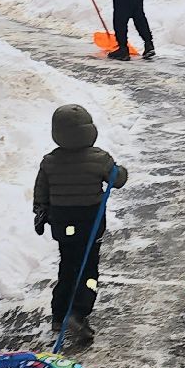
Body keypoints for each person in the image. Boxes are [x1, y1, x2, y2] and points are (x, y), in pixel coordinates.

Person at [32, 104, 129, 338]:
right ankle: (78, 311)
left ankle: (59, 315)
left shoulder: (50, 162)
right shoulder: (99, 158)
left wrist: (40, 211)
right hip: (90, 222)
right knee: (89, 270)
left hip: (62, 223)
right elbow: (117, 180)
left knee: (67, 265)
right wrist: (120, 171)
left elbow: (41, 191)